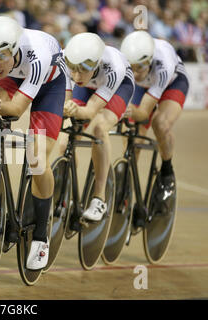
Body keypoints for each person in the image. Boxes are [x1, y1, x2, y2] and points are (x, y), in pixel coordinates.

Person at [0, 16, 72, 270]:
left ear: (13, 51)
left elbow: (14, 109)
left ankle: (40, 236)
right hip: (15, 77)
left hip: (50, 85)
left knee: (36, 159)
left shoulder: (36, 56)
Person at [62, 32, 135, 222]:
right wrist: (67, 107)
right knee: (66, 137)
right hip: (87, 87)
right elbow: (66, 101)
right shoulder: (66, 60)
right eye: (73, 69)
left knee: (99, 128)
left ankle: (99, 199)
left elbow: (90, 111)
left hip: (120, 87)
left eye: (82, 70)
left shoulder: (114, 68)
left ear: (96, 64)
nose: (76, 75)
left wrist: (73, 110)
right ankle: (67, 192)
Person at [120, 30, 189, 220]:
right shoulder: (128, 63)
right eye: (130, 69)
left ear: (149, 62)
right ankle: (127, 186)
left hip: (172, 84)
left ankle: (167, 170)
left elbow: (143, 113)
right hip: (143, 90)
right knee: (131, 137)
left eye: (138, 69)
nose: (134, 74)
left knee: (160, 123)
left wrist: (130, 111)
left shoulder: (163, 64)